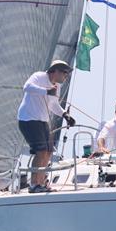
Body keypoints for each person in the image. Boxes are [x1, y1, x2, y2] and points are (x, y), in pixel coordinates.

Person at [17, 60, 76, 193]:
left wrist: (65, 115)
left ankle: (41, 183)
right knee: (41, 150)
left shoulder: (57, 86)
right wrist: (46, 91)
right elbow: (26, 87)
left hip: (42, 121)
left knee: (49, 151)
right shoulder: (39, 76)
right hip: (28, 119)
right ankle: (34, 185)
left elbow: (53, 105)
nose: (66, 76)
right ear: (55, 71)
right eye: (64, 72)